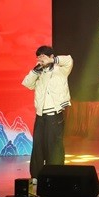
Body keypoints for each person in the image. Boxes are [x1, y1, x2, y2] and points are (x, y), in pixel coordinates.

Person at [21, 45, 73, 180]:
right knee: (38, 147)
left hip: (55, 115)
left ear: (51, 56)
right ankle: (36, 177)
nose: (41, 59)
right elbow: (26, 83)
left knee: (54, 147)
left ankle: (55, 176)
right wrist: (35, 70)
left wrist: (52, 61)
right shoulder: (39, 73)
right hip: (40, 116)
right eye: (38, 57)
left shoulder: (61, 70)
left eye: (43, 56)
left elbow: (69, 60)